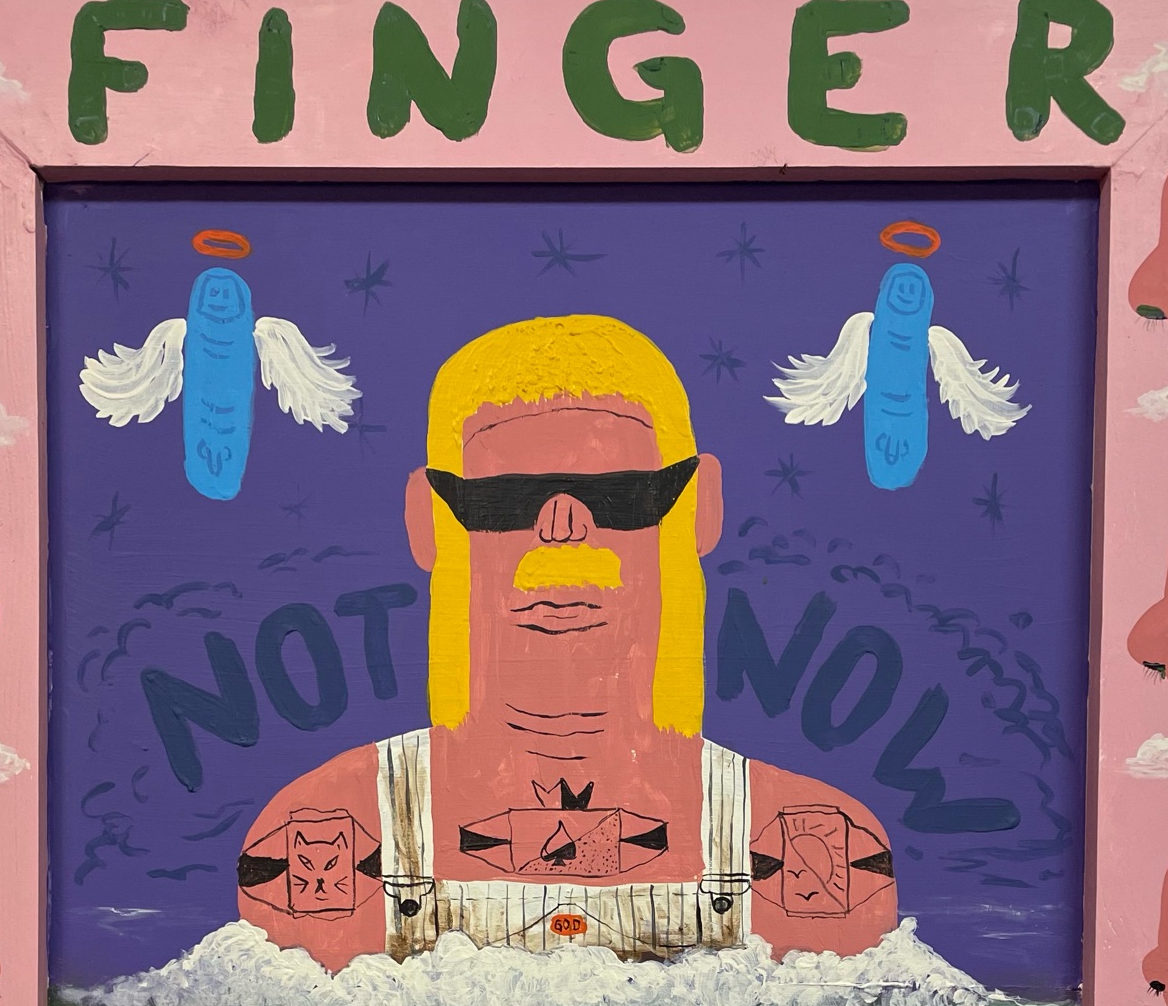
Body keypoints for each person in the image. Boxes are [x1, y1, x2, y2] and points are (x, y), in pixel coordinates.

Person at [236, 314, 897, 969]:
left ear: (700, 506)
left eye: (619, 496)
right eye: (505, 499)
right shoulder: (322, 840)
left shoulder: (817, 850)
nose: (562, 527)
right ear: (428, 520)